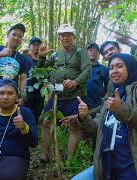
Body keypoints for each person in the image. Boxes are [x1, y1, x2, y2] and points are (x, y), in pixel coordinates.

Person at [70, 53, 137, 180]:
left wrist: (121, 109)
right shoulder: (111, 98)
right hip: (107, 166)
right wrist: (84, 117)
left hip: (135, 166)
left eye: (119, 66)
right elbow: (95, 130)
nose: (114, 71)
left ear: (130, 67)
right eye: (111, 68)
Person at [40, 24, 91, 162]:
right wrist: (42, 58)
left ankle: (69, 160)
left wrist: (75, 81)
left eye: (68, 34)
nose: (65, 37)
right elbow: (44, 69)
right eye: (62, 35)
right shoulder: (56, 54)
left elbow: (87, 70)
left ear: (73, 37)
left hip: (75, 95)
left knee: (74, 125)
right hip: (57, 95)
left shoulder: (81, 52)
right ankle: (44, 156)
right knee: (46, 122)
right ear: (59, 38)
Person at [23, 37, 51, 124]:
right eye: (33, 44)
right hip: (27, 94)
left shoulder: (45, 60)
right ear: (29, 46)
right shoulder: (25, 58)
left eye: (38, 44)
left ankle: (34, 135)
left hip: (39, 94)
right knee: (25, 117)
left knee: (36, 118)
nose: (36, 47)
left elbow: (47, 76)